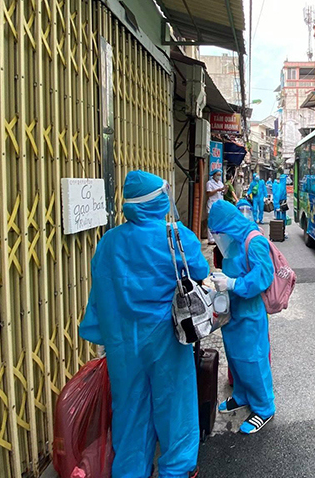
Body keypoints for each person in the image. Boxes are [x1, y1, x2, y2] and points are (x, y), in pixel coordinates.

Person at [79, 170, 209, 478]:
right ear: (157, 201)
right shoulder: (176, 237)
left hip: (124, 343)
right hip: (167, 338)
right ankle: (177, 470)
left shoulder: (109, 242)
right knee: (175, 404)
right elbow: (200, 269)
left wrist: (101, 332)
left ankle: (130, 471)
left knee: (130, 409)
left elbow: (99, 291)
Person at [208, 200, 275, 435]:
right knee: (236, 359)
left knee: (254, 360)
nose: (217, 237)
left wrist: (233, 283)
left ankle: (264, 407)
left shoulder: (253, 241)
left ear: (229, 225)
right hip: (232, 312)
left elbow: (263, 276)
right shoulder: (231, 242)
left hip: (249, 313)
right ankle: (242, 396)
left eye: (219, 232)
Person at [206, 169, 225, 244]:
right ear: (213, 175)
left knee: (219, 221)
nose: (219, 176)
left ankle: (217, 238)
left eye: (220, 175)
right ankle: (210, 239)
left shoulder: (220, 183)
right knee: (211, 222)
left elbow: (223, 193)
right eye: (217, 175)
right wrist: (217, 190)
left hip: (220, 205)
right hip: (212, 204)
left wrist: (225, 189)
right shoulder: (209, 183)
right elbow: (208, 193)